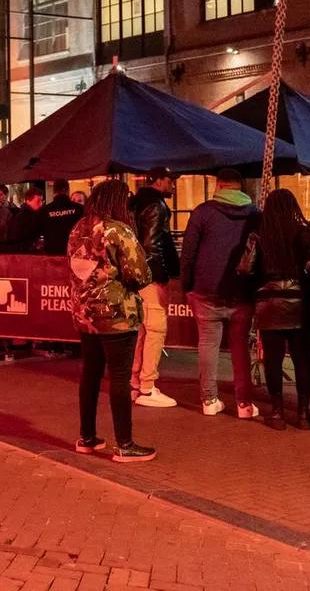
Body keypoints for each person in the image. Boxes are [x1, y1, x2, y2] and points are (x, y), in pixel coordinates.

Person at [67, 179, 156, 463]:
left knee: (90, 372)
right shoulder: (118, 230)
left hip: (85, 313)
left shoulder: (78, 228)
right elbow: (139, 274)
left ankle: (87, 437)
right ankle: (125, 444)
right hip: (117, 313)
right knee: (119, 375)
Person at [180, 168, 260, 419]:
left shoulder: (203, 212)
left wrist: (187, 286)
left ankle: (209, 399)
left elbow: (188, 253)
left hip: (206, 289)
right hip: (242, 291)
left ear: (219, 186)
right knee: (240, 348)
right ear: (240, 187)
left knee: (208, 344)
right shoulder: (256, 215)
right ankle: (244, 404)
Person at [240, 189, 310, 429]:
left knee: (272, 361)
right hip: (299, 303)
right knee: (302, 360)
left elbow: (244, 269)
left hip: (269, 305)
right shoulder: (303, 234)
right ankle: (303, 414)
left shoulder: (259, 235)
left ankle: (277, 413)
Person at [129, 168, 180, 408]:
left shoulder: (135, 203)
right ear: (158, 181)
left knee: (141, 329)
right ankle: (147, 387)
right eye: (170, 181)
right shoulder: (156, 206)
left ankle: (136, 382)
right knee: (156, 328)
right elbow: (153, 244)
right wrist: (161, 274)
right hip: (150, 276)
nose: (173, 185)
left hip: (133, 275)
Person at [37, 179, 84, 256]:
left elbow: (38, 232)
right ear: (68, 190)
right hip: (74, 255)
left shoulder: (44, 211)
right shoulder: (80, 209)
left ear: (53, 191)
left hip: (52, 255)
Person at [8, 186, 44, 252]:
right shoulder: (25, 216)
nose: (41, 204)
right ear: (28, 200)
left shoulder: (26, 213)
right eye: (38, 201)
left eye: (41, 201)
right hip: (24, 253)